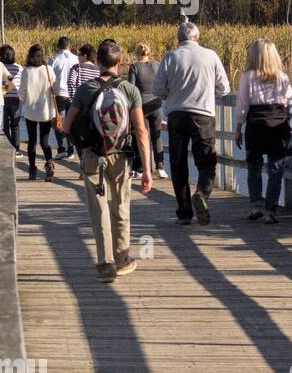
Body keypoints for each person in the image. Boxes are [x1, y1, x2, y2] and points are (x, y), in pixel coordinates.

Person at [64, 38, 153, 282]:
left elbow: (68, 124)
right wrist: (147, 169)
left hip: (93, 156)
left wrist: (82, 147)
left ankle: (105, 264)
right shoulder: (129, 90)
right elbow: (141, 131)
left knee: (98, 208)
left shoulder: (85, 90)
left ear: (97, 62)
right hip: (121, 156)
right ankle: (123, 257)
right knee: (121, 205)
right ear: (120, 62)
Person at [152, 22, 231, 226]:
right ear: (198, 37)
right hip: (203, 115)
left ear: (179, 39)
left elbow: (158, 88)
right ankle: (202, 193)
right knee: (206, 162)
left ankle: (184, 212)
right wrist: (207, 91)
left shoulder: (170, 57)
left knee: (178, 164)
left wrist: (172, 95)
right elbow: (224, 88)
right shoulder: (211, 55)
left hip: (177, 116)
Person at [234, 38, 292, 224]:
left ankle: (256, 206)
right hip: (278, 126)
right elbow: (290, 102)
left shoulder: (248, 76)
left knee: (254, 167)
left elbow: (242, 105)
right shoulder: (282, 77)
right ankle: (270, 210)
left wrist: (238, 127)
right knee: (275, 169)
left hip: (256, 125)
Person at [19, 43, 58, 181]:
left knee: (32, 142)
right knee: (45, 141)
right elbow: (55, 90)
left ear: (30, 57)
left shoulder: (26, 71)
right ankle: (49, 165)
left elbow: (21, 94)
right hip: (46, 111)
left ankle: (32, 170)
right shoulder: (49, 70)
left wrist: (27, 97)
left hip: (30, 111)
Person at [128, 43, 167, 180]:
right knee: (157, 136)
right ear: (149, 53)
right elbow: (163, 84)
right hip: (156, 105)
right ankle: (161, 167)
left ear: (137, 54)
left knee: (140, 137)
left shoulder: (134, 67)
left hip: (140, 106)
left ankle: (139, 168)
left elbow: (131, 89)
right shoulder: (157, 65)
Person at [49, 37, 80, 158]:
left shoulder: (53, 59)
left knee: (59, 122)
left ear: (58, 46)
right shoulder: (77, 59)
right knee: (70, 122)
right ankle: (71, 149)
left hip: (59, 94)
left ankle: (62, 149)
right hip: (74, 94)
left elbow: (48, 77)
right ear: (70, 46)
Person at [0, 44, 22, 153]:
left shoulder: (0, 67)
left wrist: (4, 89)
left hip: (3, 99)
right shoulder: (19, 68)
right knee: (15, 125)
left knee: (5, 125)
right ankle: (16, 148)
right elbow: (20, 84)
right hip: (16, 99)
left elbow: (1, 83)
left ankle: (8, 147)